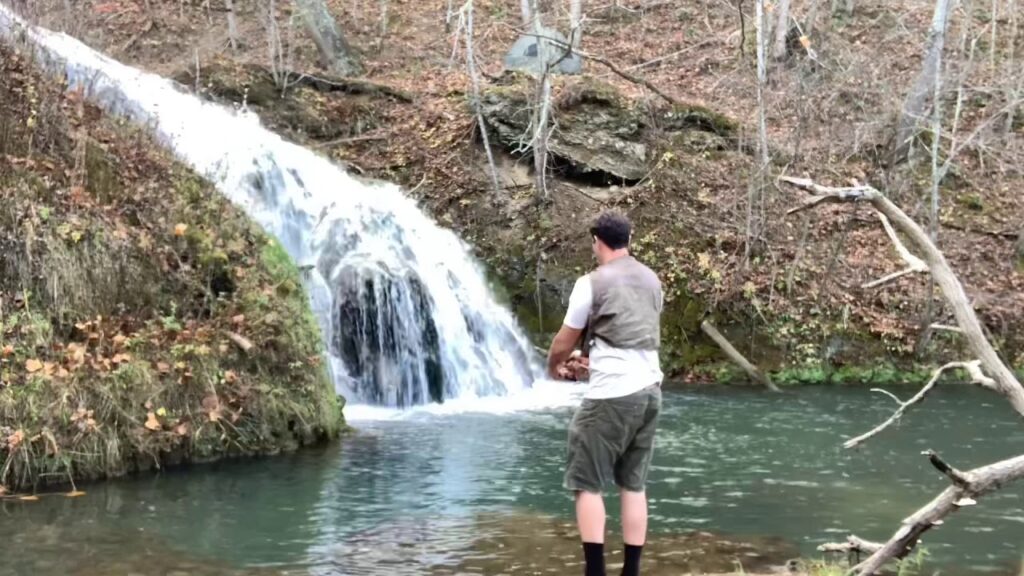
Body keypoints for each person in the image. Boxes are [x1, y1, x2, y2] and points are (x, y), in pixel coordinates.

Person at [547, 211, 664, 576]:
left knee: (586, 483)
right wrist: (591, 359)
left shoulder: (591, 283)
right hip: (649, 392)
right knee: (633, 483)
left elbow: (562, 342)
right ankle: (631, 572)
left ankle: (594, 572)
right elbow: (631, 339)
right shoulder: (652, 280)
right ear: (629, 240)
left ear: (596, 240)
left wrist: (557, 367)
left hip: (612, 395)